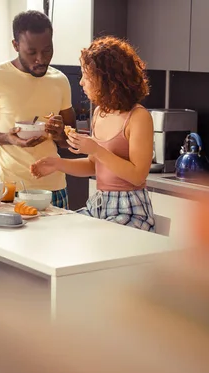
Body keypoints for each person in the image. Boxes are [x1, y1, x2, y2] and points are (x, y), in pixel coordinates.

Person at [30, 36, 155, 232]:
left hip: (131, 209)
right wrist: (57, 164)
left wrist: (96, 149)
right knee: (58, 231)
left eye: (86, 77)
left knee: (89, 238)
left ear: (107, 80)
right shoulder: (99, 113)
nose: (81, 83)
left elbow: (138, 176)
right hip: (99, 205)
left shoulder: (138, 117)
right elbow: (93, 166)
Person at [0, 10, 76, 208]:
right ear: (15, 45)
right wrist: (6, 138)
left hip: (55, 190)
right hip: (11, 192)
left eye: (47, 50)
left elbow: (70, 141)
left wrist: (59, 135)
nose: (41, 58)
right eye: (32, 52)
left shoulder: (60, 80)